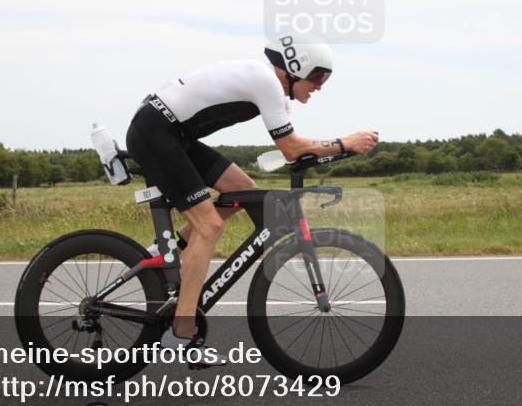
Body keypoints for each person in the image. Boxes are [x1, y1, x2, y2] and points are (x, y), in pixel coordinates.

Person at [125, 36, 379, 367]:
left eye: (325, 79)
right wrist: (345, 142)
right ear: (295, 67)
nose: (319, 86)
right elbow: (291, 148)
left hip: (172, 134)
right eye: (318, 76)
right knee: (210, 226)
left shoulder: (271, 89)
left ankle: (168, 248)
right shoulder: (266, 81)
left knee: (242, 188)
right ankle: (181, 332)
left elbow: (296, 150)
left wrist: (332, 151)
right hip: (156, 133)